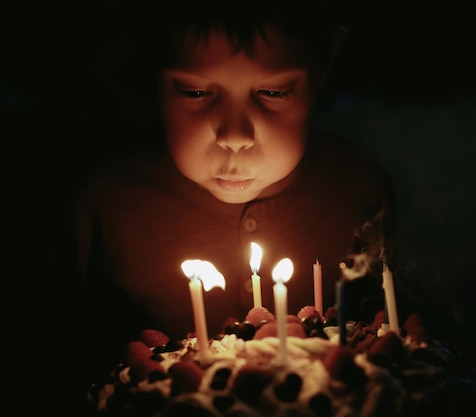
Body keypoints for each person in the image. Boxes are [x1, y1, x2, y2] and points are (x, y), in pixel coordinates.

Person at [58, 1, 398, 394]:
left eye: (274, 91)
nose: (235, 135)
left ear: (328, 59)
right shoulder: (104, 203)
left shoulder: (356, 186)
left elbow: (387, 328)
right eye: (195, 91)